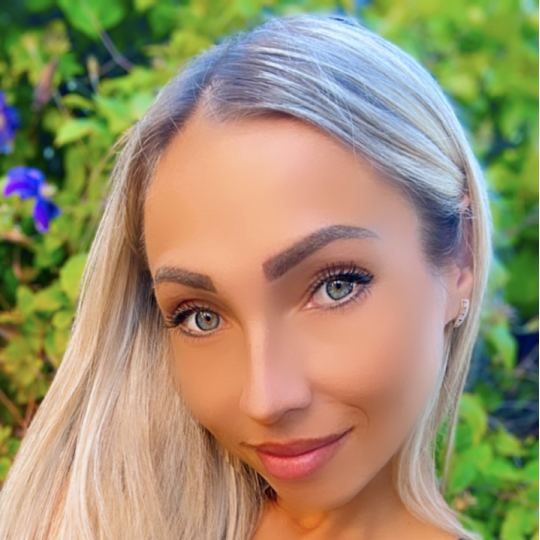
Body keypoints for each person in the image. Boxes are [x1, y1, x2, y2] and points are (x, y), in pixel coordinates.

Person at [0, 12, 492, 540]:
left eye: (335, 286)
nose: (265, 399)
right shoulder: (90, 523)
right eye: (201, 317)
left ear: (460, 258)